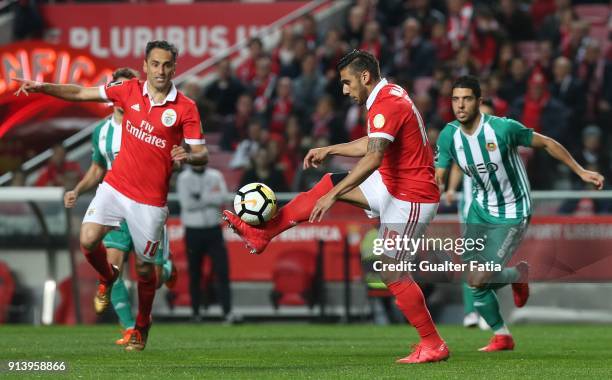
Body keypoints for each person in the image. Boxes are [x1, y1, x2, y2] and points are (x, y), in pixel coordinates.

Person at [223, 50, 449, 364]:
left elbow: (373, 157)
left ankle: (432, 343)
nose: (344, 90)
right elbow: (373, 144)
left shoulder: (387, 103)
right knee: (328, 182)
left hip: (412, 196)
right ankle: (263, 235)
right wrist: (331, 149)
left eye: (346, 82)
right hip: (391, 184)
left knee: (388, 265)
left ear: (365, 76)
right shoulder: (386, 96)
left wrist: (334, 197)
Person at [14, 40, 208, 351]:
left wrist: (189, 154)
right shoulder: (128, 90)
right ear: (145, 66)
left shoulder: (185, 107)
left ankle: (141, 326)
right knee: (87, 239)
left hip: (150, 201)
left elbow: (202, 154)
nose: (160, 70)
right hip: (116, 187)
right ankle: (108, 278)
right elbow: (80, 92)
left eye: (167, 65)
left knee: (147, 273)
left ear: (174, 67)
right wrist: (41, 86)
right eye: (155, 64)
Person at [435, 75, 604, 352]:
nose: (460, 105)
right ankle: (502, 334)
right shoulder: (448, 135)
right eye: (455, 99)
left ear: (478, 101)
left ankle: (514, 278)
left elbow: (548, 143)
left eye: (466, 99)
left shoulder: (503, 129)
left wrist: (581, 171)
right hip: (479, 209)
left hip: (513, 210)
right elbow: (439, 176)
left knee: (479, 278)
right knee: (473, 280)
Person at [63, 67, 179, 346]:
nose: (124, 93)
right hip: (115, 200)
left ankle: (167, 269)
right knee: (112, 264)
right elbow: (97, 168)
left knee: (150, 273)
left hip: (145, 203)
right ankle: (130, 328)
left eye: (129, 87)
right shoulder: (102, 132)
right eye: (119, 87)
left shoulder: (150, 123)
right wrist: (78, 190)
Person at [177, 164, 237, 323]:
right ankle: (195, 312)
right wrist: (210, 197)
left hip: (214, 230)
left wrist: (199, 197)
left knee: (222, 271)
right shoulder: (184, 178)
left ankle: (227, 312)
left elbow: (223, 197)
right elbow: (187, 205)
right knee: (195, 273)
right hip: (193, 230)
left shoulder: (215, 175)